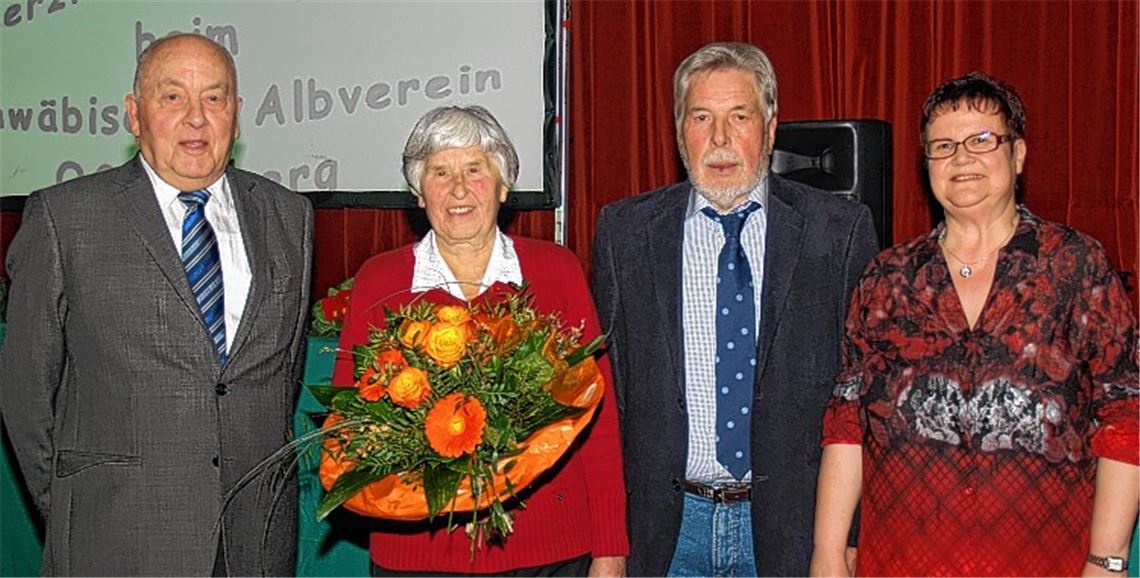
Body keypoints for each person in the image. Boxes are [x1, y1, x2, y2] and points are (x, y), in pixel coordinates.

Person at [0, 33, 312, 576]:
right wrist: (76, 506)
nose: (196, 118)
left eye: (214, 98)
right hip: (116, 536)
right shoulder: (65, 218)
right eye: (172, 97)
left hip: (252, 544)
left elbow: (281, 379)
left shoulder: (289, 217)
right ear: (134, 114)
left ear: (236, 117)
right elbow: (26, 394)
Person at [811, 72, 1139, 577]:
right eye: (943, 146)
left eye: (982, 140)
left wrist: (1107, 560)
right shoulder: (887, 278)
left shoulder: (1076, 266)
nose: (961, 158)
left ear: (1019, 154)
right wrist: (829, 554)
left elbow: (1125, 419)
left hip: (1047, 565)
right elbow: (847, 425)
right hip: (901, 564)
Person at [591, 42, 879, 576]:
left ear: (770, 129)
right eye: (702, 118)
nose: (720, 139)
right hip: (664, 534)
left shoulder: (838, 232)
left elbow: (862, 399)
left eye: (739, 117)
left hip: (797, 532)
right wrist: (608, 544)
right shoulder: (624, 234)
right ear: (680, 132)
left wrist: (849, 538)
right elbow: (607, 402)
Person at [330, 105, 629, 577]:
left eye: (475, 169)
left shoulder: (556, 271)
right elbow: (350, 430)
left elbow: (600, 423)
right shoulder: (379, 281)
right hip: (420, 558)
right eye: (440, 172)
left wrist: (611, 550)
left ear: (504, 184)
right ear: (418, 192)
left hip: (550, 555)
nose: (458, 189)